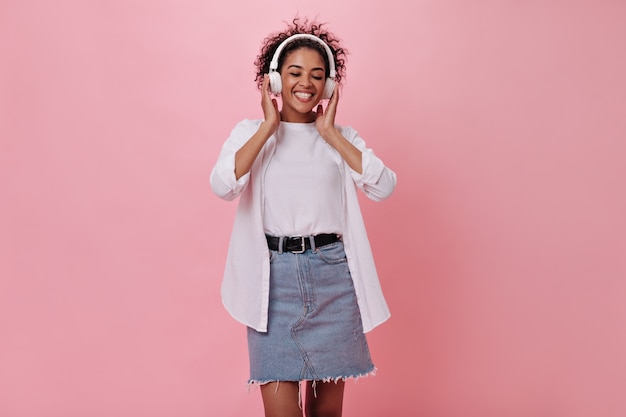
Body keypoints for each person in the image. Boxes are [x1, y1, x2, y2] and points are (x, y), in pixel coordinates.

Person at [210, 17, 397, 417]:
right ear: (275, 80)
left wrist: (330, 135)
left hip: (333, 278)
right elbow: (223, 185)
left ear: (329, 86)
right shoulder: (250, 132)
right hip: (272, 282)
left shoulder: (342, 137)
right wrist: (268, 126)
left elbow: (383, 187)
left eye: (317, 75)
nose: (306, 83)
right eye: (295, 73)